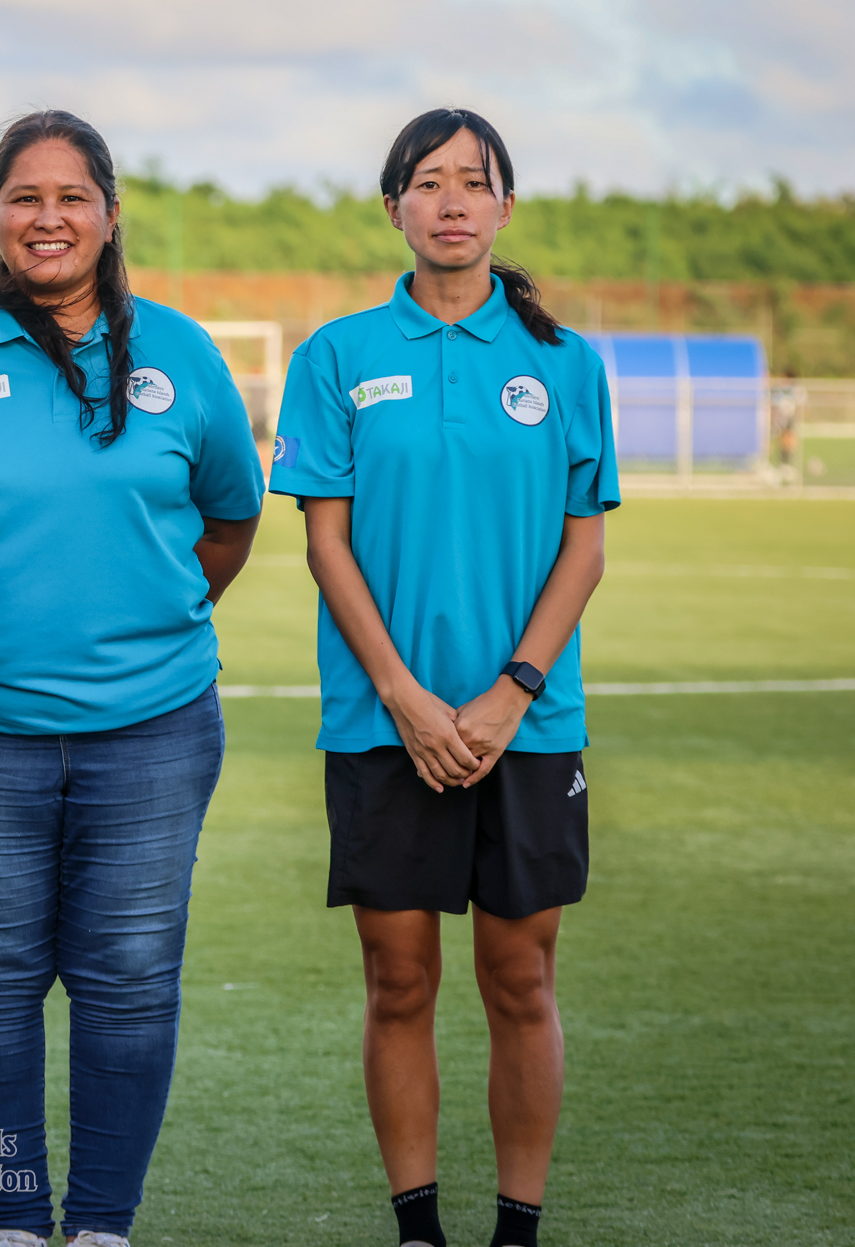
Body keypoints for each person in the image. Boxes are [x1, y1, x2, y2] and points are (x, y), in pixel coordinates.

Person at [0, 109, 264, 1247]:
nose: (45, 218)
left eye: (69, 198)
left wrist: (138, 622)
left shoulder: (182, 353)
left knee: (128, 984)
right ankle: (12, 1227)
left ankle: (99, 1227)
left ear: (109, 216)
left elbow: (228, 523)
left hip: (149, 733)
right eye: (22, 198)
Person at [267, 108, 619, 1247]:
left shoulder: (564, 364)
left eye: (473, 183)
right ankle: (416, 1229)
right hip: (383, 725)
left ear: (503, 207)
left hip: (530, 719)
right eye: (428, 182)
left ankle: (515, 1228)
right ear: (394, 209)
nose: (452, 201)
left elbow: (583, 545)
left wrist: (510, 691)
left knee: (519, 981)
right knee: (398, 979)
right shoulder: (336, 358)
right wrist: (408, 702)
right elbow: (325, 544)